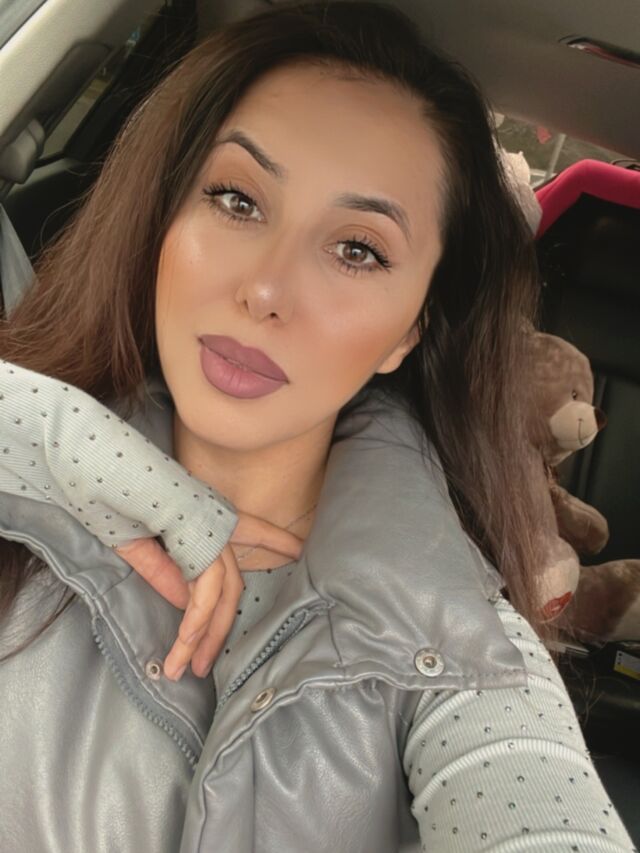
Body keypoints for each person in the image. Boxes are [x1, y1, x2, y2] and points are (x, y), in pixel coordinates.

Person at [0, 2, 635, 851]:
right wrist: (53, 441)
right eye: (236, 199)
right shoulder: (27, 482)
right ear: (164, 219)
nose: (266, 289)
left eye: (357, 249)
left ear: (409, 331)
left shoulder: (462, 649)